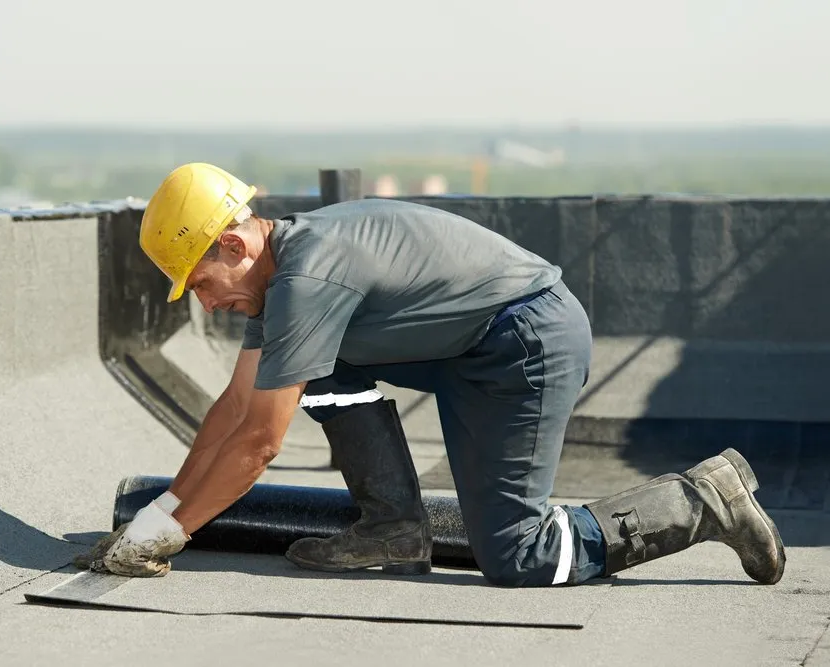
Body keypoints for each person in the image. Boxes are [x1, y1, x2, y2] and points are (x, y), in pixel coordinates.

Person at [84, 162, 786, 587]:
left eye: (203, 284)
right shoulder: (278, 282)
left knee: (518, 555)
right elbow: (234, 409)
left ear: (235, 243)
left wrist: (169, 535)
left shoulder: (307, 276)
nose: (207, 303)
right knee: (312, 367)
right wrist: (159, 511)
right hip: (474, 346)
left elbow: (258, 444)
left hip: (526, 342)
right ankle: (393, 525)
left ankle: (698, 502)